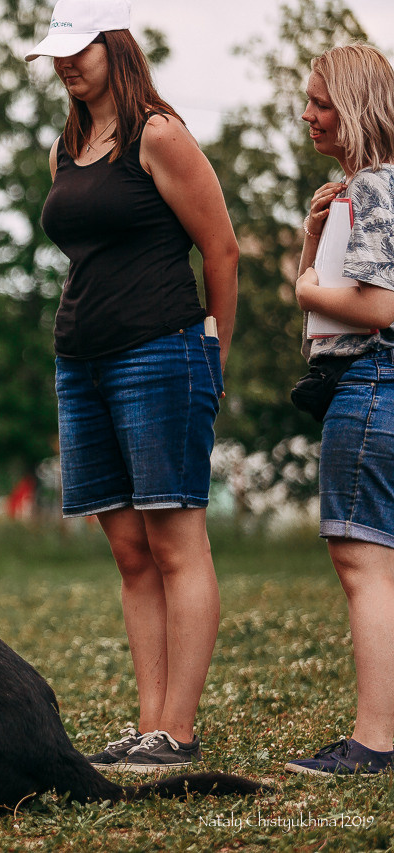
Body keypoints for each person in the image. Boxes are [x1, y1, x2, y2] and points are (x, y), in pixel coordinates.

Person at [25, 0, 239, 771]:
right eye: (56, 52)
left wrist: (214, 355)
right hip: (80, 361)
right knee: (129, 550)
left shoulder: (161, 135)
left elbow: (221, 248)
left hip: (162, 351)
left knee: (175, 540)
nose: (66, 63)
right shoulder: (68, 147)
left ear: (115, 46)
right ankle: (149, 724)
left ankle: (177, 731)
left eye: (79, 49)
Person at [285, 43, 394, 776]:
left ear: (354, 106)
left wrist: (301, 286)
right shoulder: (364, 189)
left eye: (320, 102)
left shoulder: (379, 187)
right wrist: (313, 234)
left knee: (365, 564)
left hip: (371, 381)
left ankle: (375, 741)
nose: (308, 114)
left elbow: (379, 306)